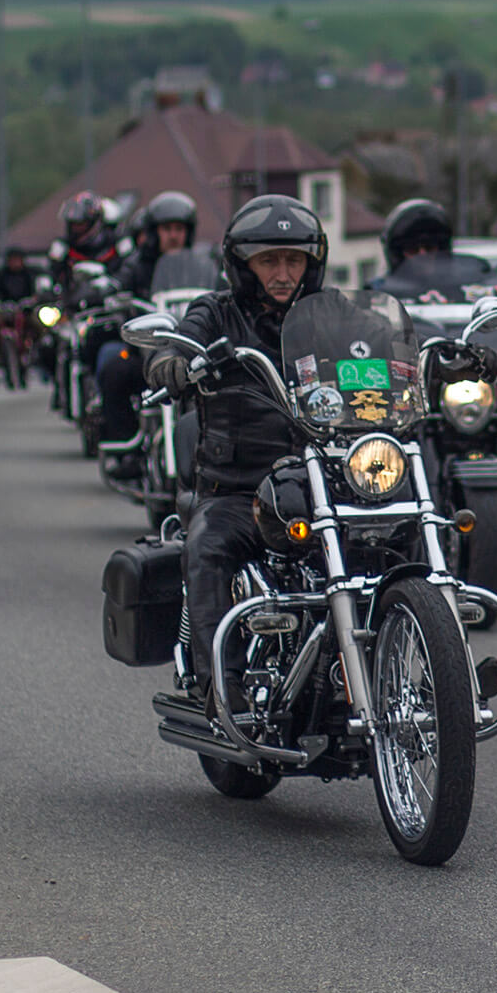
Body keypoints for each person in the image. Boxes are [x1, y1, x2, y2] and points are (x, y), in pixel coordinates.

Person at [141, 195, 331, 711]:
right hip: (239, 490)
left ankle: (430, 667)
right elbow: (180, 342)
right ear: (244, 265)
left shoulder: (329, 314)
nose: (284, 273)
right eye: (270, 260)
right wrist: (171, 362)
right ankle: (224, 693)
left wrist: (449, 353)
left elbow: (382, 339)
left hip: (324, 485)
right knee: (207, 550)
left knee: (397, 535)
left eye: (294, 260)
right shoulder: (216, 312)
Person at [372, 198, 497, 540]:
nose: (424, 256)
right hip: (414, 396)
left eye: (431, 248)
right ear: (397, 254)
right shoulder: (380, 293)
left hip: (465, 389)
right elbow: (361, 332)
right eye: (414, 250)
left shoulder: (475, 289)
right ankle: (390, 525)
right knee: (392, 446)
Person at [98, 192, 203, 475]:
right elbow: (119, 284)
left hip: (191, 352)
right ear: (155, 232)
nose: (173, 235)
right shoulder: (138, 265)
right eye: (167, 229)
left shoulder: (201, 264)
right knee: (114, 371)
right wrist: (114, 294)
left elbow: (218, 287)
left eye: (179, 229)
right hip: (147, 352)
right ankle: (127, 451)